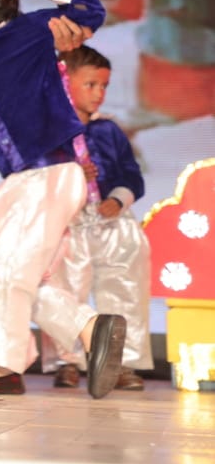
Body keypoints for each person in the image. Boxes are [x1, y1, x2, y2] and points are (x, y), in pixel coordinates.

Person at [0, 0, 125, 398]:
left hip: (50, 170)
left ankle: (3, 367)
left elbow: (91, 12)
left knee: (4, 270)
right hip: (20, 177)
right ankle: (89, 327)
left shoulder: (28, 31)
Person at [42, 46, 151, 392]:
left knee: (123, 288)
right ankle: (68, 361)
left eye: (104, 86)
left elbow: (131, 175)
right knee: (66, 288)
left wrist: (118, 200)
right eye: (90, 85)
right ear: (66, 82)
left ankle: (122, 362)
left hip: (110, 223)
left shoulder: (109, 131)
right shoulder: (50, 132)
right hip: (69, 222)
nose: (98, 93)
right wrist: (69, 175)